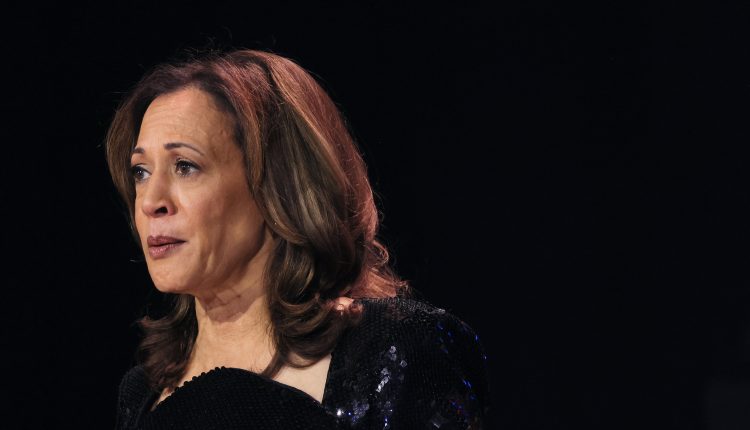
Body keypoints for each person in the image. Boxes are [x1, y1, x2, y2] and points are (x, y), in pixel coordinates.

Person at [107, 48, 490, 429]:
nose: (151, 202)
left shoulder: (395, 352)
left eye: (185, 166)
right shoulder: (143, 393)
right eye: (141, 172)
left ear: (276, 185)